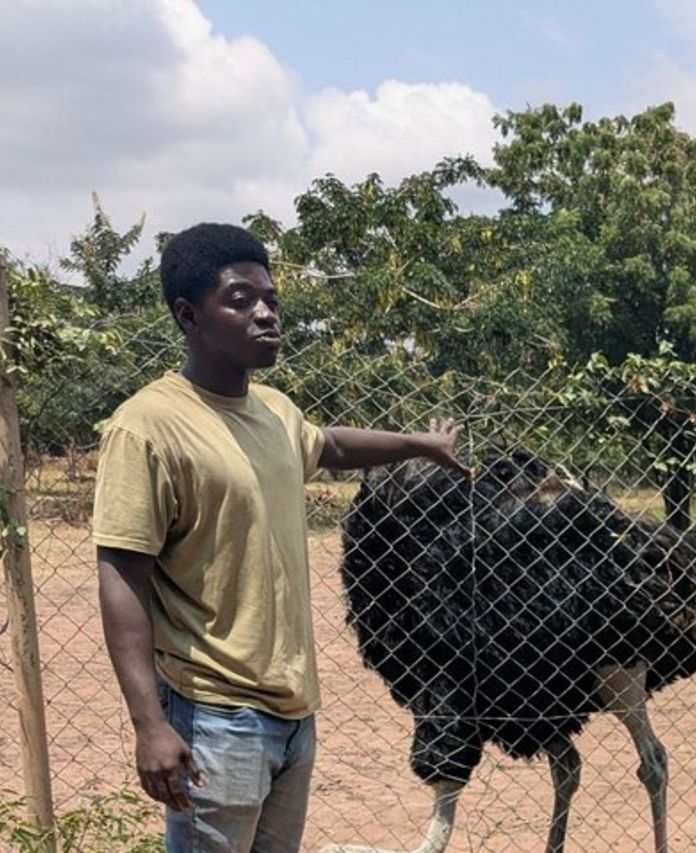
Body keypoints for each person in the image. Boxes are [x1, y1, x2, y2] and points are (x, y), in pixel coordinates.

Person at [93, 223, 470, 852]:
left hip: (293, 714)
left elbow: (329, 444)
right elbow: (121, 575)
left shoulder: (272, 410)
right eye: (242, 301)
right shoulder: (149, 427)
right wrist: (149, 726)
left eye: (271, 299)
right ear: (190, 315)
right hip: (213, 715)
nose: (267, 314)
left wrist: (419, 445)